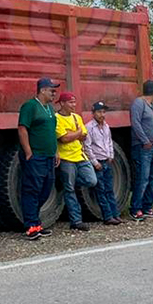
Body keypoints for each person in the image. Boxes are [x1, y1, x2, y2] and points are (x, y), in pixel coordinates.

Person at [18, 77, 60, 241]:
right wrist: (28, 151)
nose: (54, 93)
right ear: (42, 90)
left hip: (49, 155)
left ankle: (37, 222)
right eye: (52, 90)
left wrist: (55, 150)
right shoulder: (30, 106)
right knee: (32, 189)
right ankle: (30, 225)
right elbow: (22, 128)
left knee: (46, 189)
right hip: (36, 155)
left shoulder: (49, 108)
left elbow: (51, 131)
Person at [55, 92, 98, 231]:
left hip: (80, 156)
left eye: (74, 102)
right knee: (69, 190)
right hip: (66, 158)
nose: (74, 105)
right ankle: (76, 220)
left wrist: (72, 134)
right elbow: (63, 139)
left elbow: (84, 135)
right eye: (70, 102)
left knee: (91, 180)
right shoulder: (57, 118)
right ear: (62, 103)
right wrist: (77, 133)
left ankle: (64, 181)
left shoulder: (76, 117)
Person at [130, 79, 153, 221]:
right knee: (142, 178)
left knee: (152, 177)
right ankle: (135, 208)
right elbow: (136, 123)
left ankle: (147, 206)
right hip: (143, 147)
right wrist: (145, 140)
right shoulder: (138, 103)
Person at [84, 101, 121, 225]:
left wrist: (111, 155)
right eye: (99, 112)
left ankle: (116, 214)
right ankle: (107, 216)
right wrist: (94, 162)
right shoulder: (89, 127)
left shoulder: (106, 126)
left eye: (104, 112)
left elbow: (109, 142)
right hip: (98, 162)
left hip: (106, 160)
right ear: (93, 113)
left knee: (109, 189)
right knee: (101, 190)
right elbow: (87, 146)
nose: (102, 114)